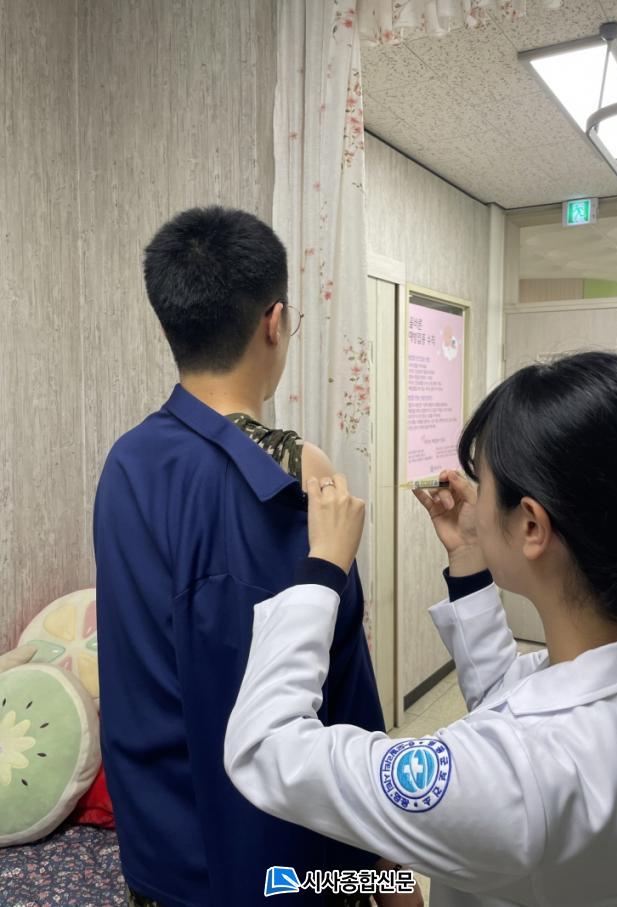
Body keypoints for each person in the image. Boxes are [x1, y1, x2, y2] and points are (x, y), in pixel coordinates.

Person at [225, 351, 617, 907]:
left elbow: (265, 749)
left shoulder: (517, 778)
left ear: (531, 525)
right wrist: (469, 554)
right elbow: (515, 706)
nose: (474, 497)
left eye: (483, 483)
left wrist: (321, 571)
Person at [94, 206, 420, 907]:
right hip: (280, 869)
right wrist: (391, 879)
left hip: (158, 858)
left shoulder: (125, 463)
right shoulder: (296, 477)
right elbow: (339, 694)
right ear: (274, 322)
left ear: (168, 327)